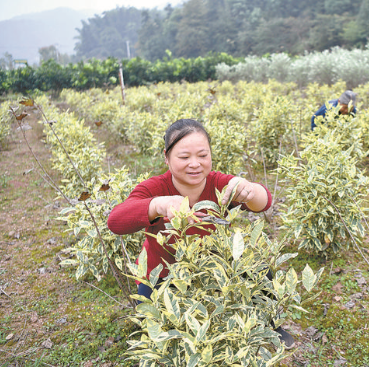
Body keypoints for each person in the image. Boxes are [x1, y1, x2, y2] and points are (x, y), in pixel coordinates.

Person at [107, 118, 294, 348]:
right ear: (166, 157)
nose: (194, 164)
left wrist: (248, 189)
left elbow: (264, 202)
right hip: (164, 273)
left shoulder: (218, 183)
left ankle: (272, 324)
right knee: (158, 328)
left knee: (261, 272)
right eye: (184, 157)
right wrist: (158, 205)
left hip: (214, 267)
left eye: (203, 156)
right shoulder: (154, 188)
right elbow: (116, 221)